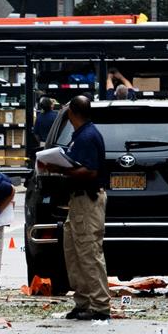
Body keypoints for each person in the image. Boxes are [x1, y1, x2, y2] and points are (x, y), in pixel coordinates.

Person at [43, 96, 110, 321]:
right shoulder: (80, 135)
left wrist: (59, 169)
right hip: (78, 202)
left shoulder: (88, 136)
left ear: (72, 112)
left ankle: (100, 305)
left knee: (89, 252)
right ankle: (83, 302)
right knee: (74, 253)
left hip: (87, 201)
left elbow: (89, 171)